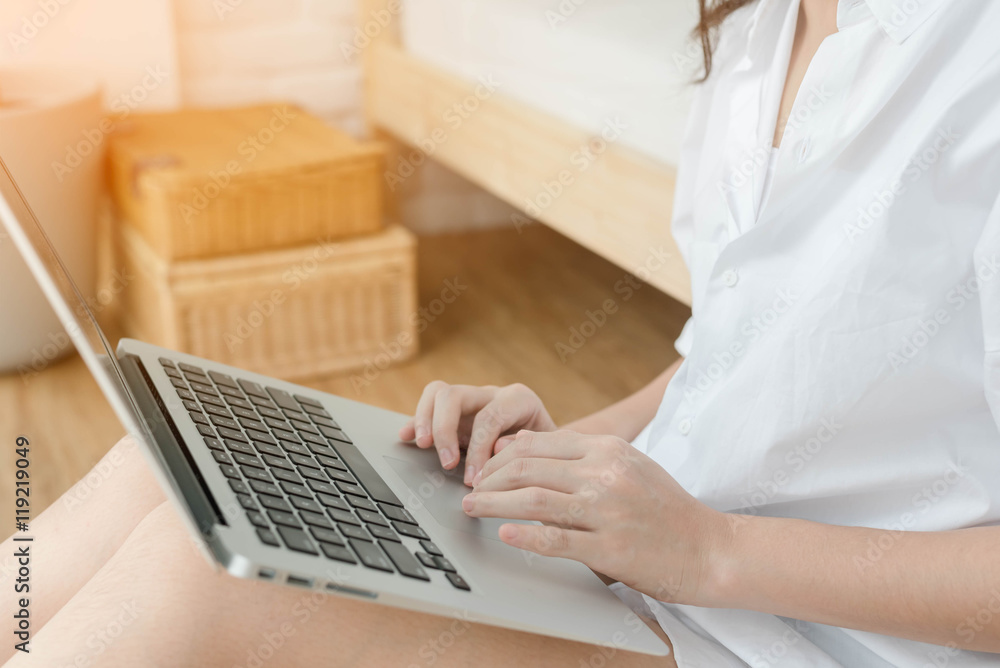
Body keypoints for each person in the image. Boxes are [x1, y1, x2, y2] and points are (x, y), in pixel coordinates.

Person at [5, 0, 1000, 665]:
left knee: (201, 577)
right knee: (179, 466)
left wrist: (709, 552)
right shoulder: (760, 28)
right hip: (660, 556)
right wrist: (564, 448)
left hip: (804, 632)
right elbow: (735, 348)